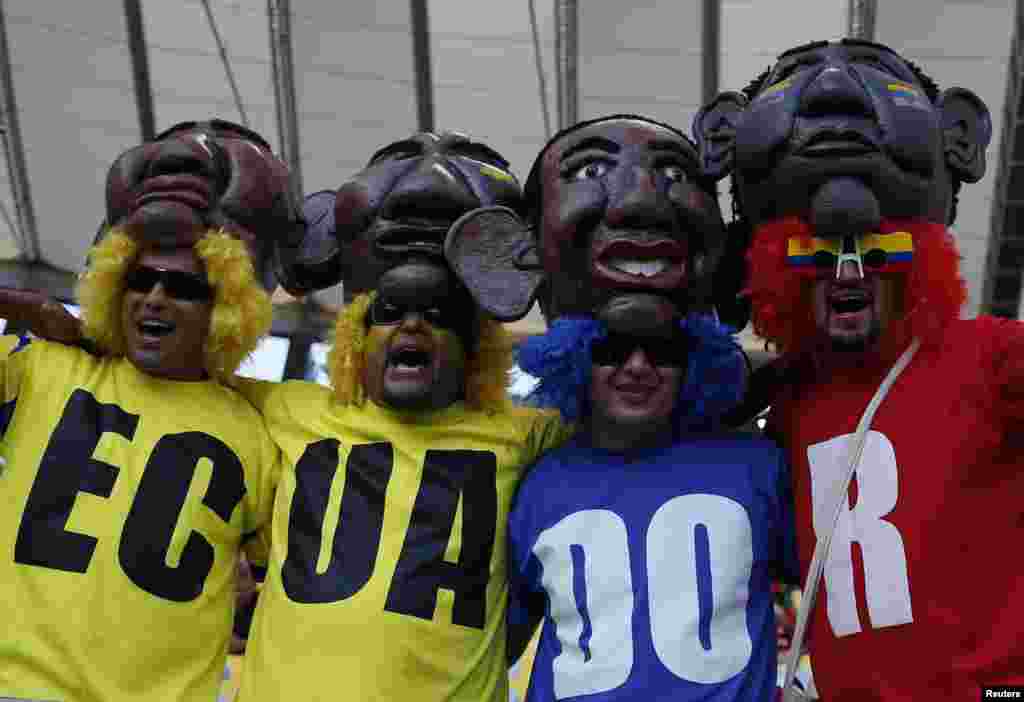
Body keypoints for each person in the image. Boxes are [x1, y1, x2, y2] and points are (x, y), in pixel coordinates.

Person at [694, 39, 1023, 698]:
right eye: (814, 257)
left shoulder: (993, 355)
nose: (850, 270)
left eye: (884, 252)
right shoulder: (788, 403)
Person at [447, 115, 798, 701]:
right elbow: (492, 641)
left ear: (695, 361)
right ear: (575, 356)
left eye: (662, 350)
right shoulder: (535, 485)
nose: (636, 366)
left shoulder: (758, 465)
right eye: (611, 349)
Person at [232, 130, 571, 702]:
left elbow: (641, 393)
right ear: (353, 338)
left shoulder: (529, 434)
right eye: (391, 312)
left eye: (438, 315)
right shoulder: (284, 408)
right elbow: (176, 365)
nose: (413, 326)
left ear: (476, 347)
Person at [0, 119, 291, 701]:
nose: (155, 297)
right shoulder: (37, 368)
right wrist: (17, 301)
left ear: (230, 305)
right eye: (140, 279)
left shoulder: (261, 435)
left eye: (185, 287)